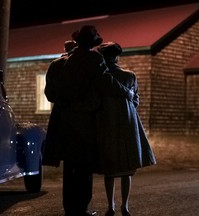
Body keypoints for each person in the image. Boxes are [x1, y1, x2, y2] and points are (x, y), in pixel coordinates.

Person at [43, 26, 134, 216]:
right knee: (84, 167)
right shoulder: (94, 60)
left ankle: (70, 208)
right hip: (85, 120)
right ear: (92, 44)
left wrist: (64, 101)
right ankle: (82, 208)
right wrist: (126, 91)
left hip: (63, 122)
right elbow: (106, 83)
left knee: (69, 167)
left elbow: (49, 94)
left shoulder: (57, 64)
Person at [95, 42, 157, 216]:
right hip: (128, 122)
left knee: (110, 167)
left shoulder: (101, 78)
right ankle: (125, 206)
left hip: (107, 123)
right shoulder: (130, 76)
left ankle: (111, 206)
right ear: (117, 57)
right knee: (127, 168)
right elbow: (135, 100)